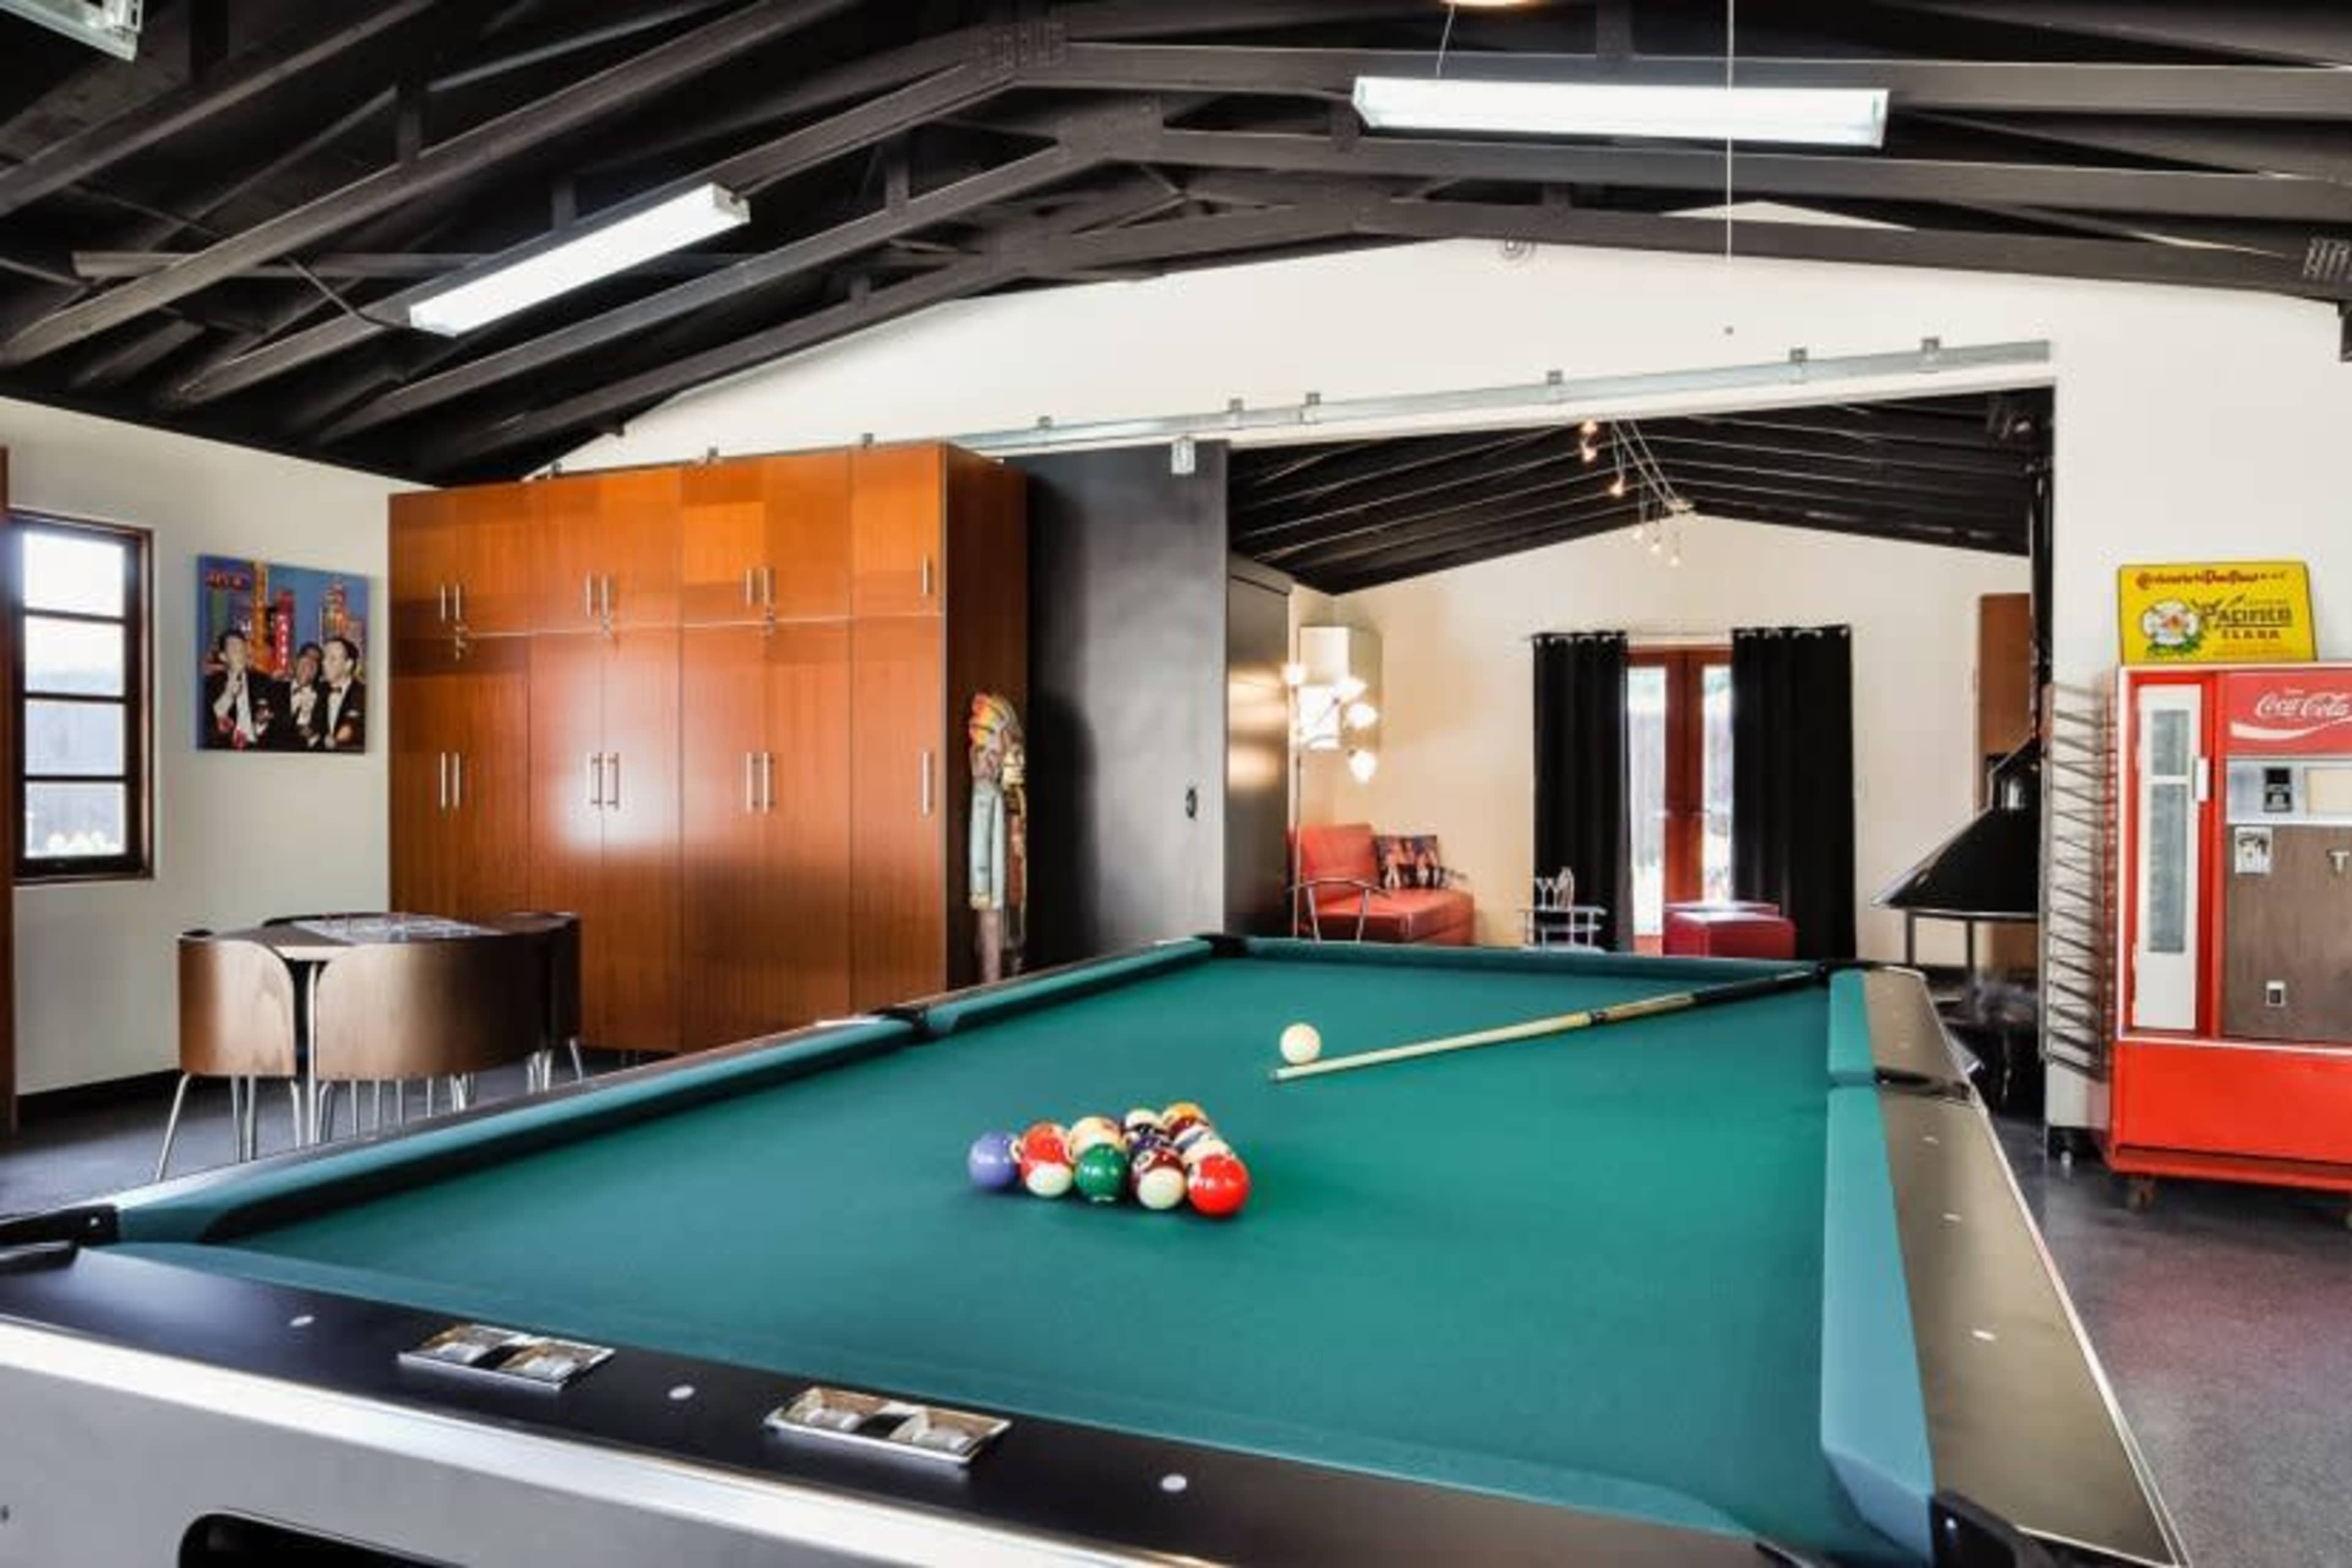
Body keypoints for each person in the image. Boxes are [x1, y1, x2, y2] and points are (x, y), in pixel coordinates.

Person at [202, 629, 279, 750]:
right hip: (224, 751)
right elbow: (212, 720)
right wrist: (228, 695)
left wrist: (261, 723)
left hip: (258, 750)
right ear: (223, 657)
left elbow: (271, 720)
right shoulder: (213, 682)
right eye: (234, 649)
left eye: (242, 648)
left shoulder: (262, 680)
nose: (240, 653)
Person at [318, 636, 365, 752]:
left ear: (348, 665)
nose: (324, 663)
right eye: (324, 658)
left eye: (332, 659)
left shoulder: (365, 696)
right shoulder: (316, 692)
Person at [280, 641, 325, 751]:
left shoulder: (324, 698)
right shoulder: (276, 689)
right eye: (306, 657)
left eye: (316, 661)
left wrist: (312, 737)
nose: (310, 662)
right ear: (295, 662)